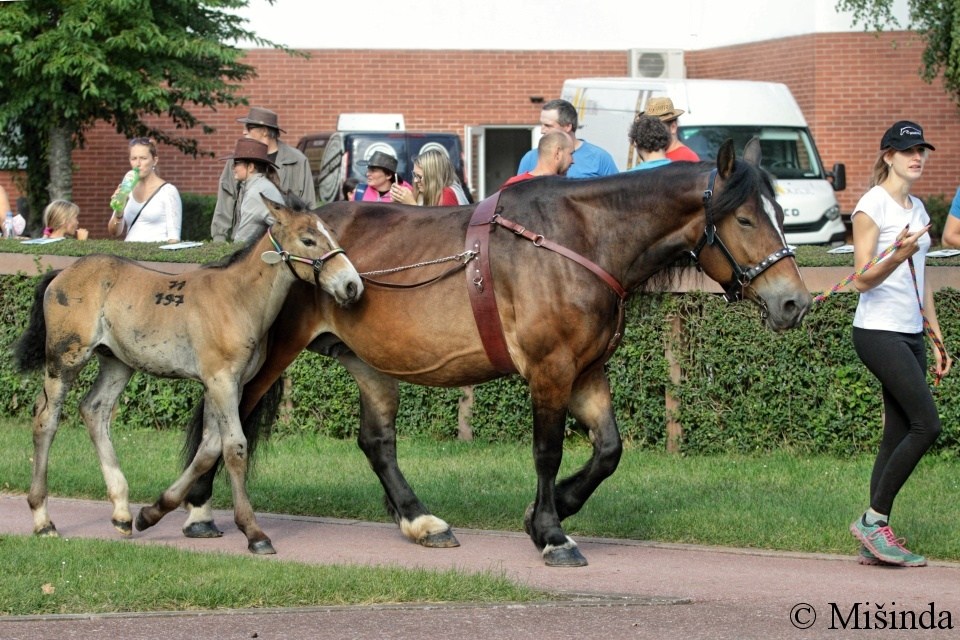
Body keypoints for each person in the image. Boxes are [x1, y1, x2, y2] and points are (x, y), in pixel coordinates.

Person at [847, 120, 951, 568]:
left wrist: (937, 336)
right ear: (888, 155)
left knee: (896, 432)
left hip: (910, 331)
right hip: (877, 330)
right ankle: (873, 520)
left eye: (922, 150)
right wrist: (899, 254)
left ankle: (874, 539)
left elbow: (922, 281)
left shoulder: (919, 207)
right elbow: (861, 279)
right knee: (927, 425)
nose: (917, 157)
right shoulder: (872, 207)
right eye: (908, 151)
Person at [211, 107, 315, 242]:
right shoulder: (238, 160)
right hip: (245, 245)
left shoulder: (297, 160)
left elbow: (308, 206)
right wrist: (219, 241)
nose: (243, 132)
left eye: (249, 127)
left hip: (285, 243)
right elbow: (225, 201)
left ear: (265, 131)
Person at [515, 99, 617, 179]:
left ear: (568, 126)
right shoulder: (530, 158)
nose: (542, 131)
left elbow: (616, 196)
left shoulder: (600, 158)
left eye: (548, 125)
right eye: (541, 124)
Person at [108, 138, 182, 243]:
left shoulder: (168, 191)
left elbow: (174, 238)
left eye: (143, 158)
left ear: (154, 160)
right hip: (129, 254)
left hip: (154, 255)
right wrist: (119, 212)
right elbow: (114, 233)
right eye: (133, 158)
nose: (138, 164)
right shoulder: (127, 187)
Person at [223, 138, 284, 244]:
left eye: (236, 163)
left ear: (250, 167)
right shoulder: (262, 185)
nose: (233, 167)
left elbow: (242, 239)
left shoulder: (255, 192)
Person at [391, 149, 469, 206]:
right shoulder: (421, 192)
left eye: (419, 176)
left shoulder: (447, 194)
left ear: (434, 177)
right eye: (414, 175)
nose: (415, 180)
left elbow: (438, 227)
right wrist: (399, 203)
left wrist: (411, 204)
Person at [500, 130, 575, 189]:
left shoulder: (513, 185)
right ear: (558, 153)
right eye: (570, 154)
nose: (573, 161)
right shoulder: (564, 190)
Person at [640, 97, 700, 162]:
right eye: (649, 127)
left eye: (658, 128)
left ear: (673, 127)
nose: (653, 132)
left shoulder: (687, 159)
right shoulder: (653, 155)